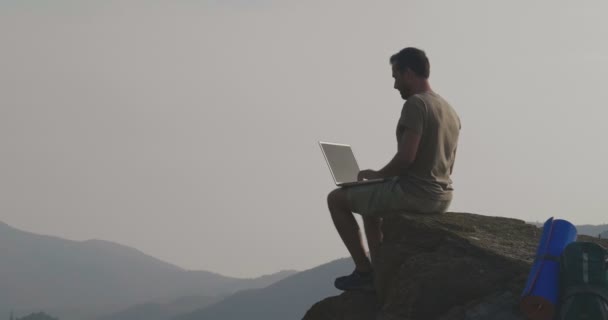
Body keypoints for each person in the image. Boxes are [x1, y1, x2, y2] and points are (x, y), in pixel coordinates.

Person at [326, 47, 461, 291]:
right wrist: (378, 183)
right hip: (442, 195)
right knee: (368, 203)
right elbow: (449, 163)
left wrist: (378, 175)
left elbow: (406, 158)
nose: (395, 85)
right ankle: (380, 272)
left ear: (408, 73)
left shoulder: (416, 104)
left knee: (335, 199)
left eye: (396, 77)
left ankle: (365, 271)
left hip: (416, 194)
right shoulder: (449, 110)